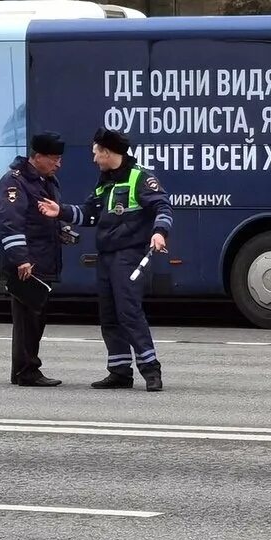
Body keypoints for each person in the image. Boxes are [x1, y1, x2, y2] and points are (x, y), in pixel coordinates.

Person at [82, 127, 172, 391]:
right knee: (109, 316)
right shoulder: (105, 180)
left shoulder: (140, 178)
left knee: (128, 313)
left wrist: (159, 232)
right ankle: (120, 371)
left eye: (96, 153)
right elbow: (89, 214)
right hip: (107, 256)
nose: (94, 158)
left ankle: (151, 369)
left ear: (107, 152)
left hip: (128, 255)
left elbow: (162, 206)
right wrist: (60, 212)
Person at [0, 132, 83, 387]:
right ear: (38, 157)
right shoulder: (15, 183)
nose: (59, 163)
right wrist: (21, 259)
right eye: (55, 158)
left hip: (43, 259)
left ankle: (24, 369)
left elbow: (41, 219)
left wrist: (60, 232)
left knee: (36, 318)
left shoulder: (47, 181)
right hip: (28, 264)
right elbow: (11, 223)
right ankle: (27, 371)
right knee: (27, 319)